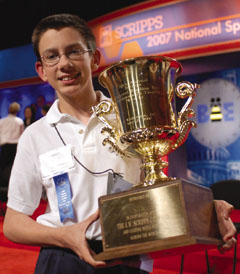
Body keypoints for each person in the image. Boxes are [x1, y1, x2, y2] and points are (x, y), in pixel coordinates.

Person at [3, 13, 236, 274]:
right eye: (52, 56)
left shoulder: (134, 120)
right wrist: (65, 236)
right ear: (42, 70)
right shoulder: (35, 136)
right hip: (61, 258)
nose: (64, 63)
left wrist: (205, 209)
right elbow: (13, 222)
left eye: (74, 51)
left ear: (95, 59)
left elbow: (156, 185)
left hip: (128, 259)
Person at [0, 102, 24, 187]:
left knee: (4, 166)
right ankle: (13, 185)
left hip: (5, 146)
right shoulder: (19, 121)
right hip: (15, 146)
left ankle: (4, 185)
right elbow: (22, 135)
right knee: (14, 166)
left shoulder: (2, 121)